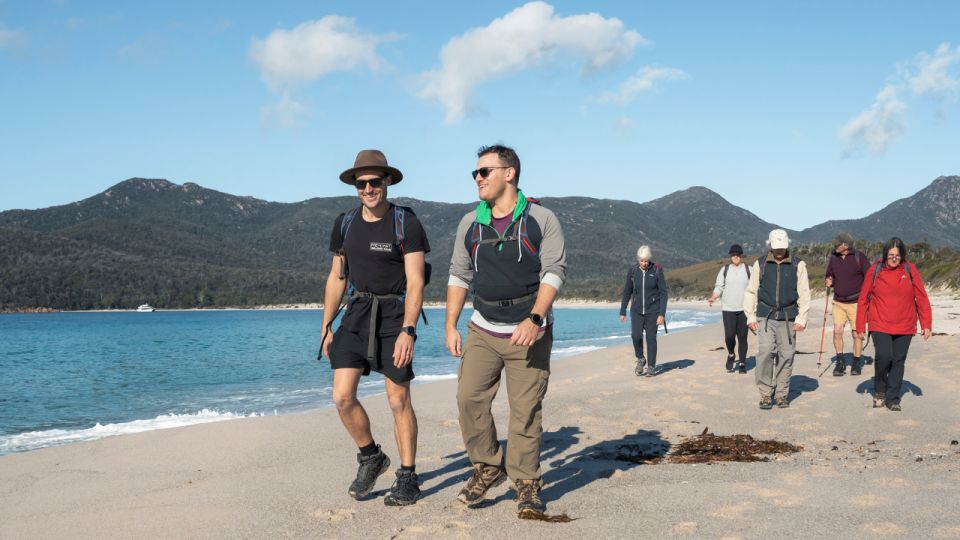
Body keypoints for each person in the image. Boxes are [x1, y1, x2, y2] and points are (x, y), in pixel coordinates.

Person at [445, 144, 567, 517]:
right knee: (469, 399)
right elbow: (458, 274)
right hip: (483, 328)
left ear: (509, 173)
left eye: (484, 171)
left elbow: (554, 272)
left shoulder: (541, 218)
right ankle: (488, 467)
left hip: (528, 330)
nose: (477, 178)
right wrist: (450, 324)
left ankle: (526, 481)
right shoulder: (470, 223)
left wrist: (535, 318)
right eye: (476, 173)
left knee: (525, 410)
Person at [320, 149, 430, 506]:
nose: (368, 188)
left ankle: (408, 477)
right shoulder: (345, 222)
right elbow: (337, 278)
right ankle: (370, 456)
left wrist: (408, 329)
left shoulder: (405, 222)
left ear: (387, 182)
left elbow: (416, 281)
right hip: (355, 315)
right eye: (361, 182)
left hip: (395, 316)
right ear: (355, 186)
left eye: (375, 182)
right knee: (342, 397)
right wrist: (325, 325)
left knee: (398, 400)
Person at [856, 237, 932, 411]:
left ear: (902, 256)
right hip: (879, 323)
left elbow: (921, 297)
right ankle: (880, 391)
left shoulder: (910, 269)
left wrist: (926, 323)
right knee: (884, 356)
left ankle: (893, 398)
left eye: (897, 255)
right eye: (891, 255)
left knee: (898, 360)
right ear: (885, 254)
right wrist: (860, 326)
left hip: (905, 324)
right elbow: (863, 299)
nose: (894, 258)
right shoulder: (875, 270)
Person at [743, 229, 810, 409]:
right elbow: (751, 291)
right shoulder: (761, 264)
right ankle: (765, 394)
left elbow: (804, 292)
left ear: (787, 245)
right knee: (765, 353)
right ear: (770, 246)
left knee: (786, 356)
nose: (779, 251)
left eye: (782, 247)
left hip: (789, 317)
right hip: (766, 315)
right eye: (776, 247)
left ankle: (781, 394)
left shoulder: (798, 265)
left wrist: (802, 319)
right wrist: (750, 316)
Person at [824, 233, 871, 376]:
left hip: (856, 303)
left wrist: (867, 299)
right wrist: (828, 281)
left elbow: (869, 277)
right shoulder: (833, 258)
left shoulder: (859, 257)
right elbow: (828, 275)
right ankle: (840, 361)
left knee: (856, 334)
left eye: (837, 244)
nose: (834, 246)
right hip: (838, 302)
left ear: (845, 245)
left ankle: (856, 362)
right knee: (837, 330)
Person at [619, 245, 668, 377]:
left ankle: (651, 366)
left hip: (653, 311)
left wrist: (661, 314)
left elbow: (663, 293)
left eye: (646, 261)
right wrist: (622, 310)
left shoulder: (657, 270)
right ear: (638, 259)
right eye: (641, 260)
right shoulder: (633, 271)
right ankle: (640, 358)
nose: (644, 263)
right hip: (636, 311)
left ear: (649, 259)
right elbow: (627, 291)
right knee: (636, 335)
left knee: (651, 338)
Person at [708, 244, 750, 374]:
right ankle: (731, 354)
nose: (735, 256)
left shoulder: (749, 269)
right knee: (729, 336)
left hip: (744, 309)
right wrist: (714, 297)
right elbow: (719, 286)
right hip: (728, 309)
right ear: (730, 256)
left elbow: (755, 287)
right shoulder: (724, 270)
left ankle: (742, 363)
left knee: (742, 337)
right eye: (733, 254)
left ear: (741, 255)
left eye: (738, 254)